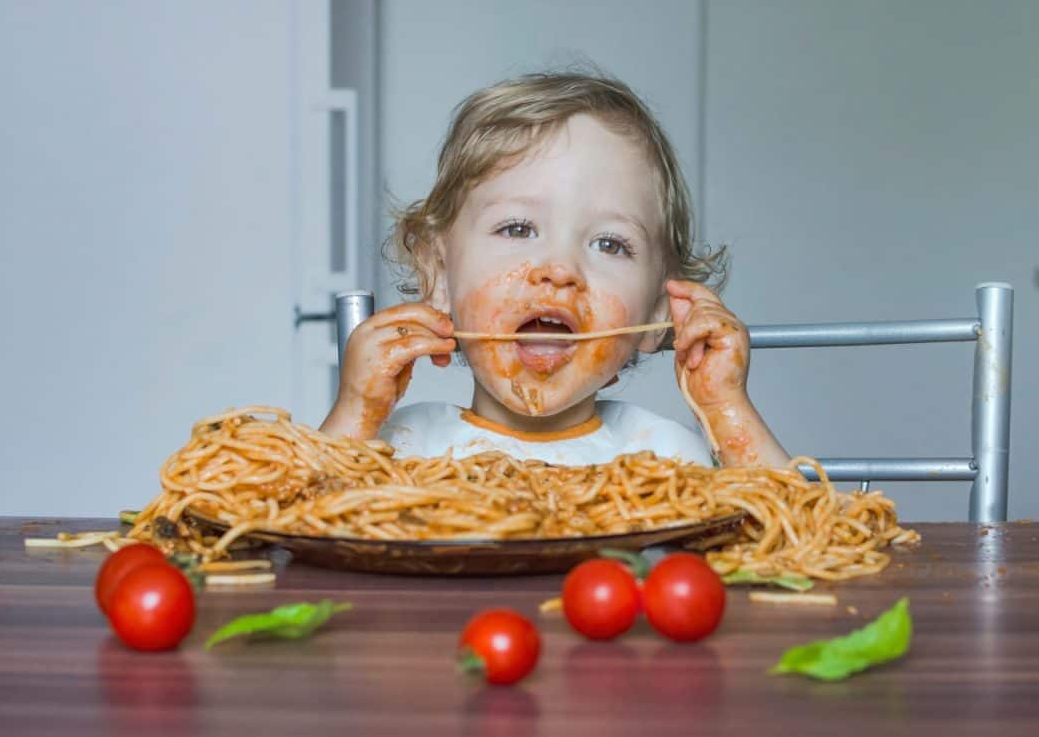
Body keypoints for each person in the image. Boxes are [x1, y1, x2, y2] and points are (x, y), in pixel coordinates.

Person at [320, 71, 789, 469]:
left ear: (660, 312)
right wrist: (355, 411)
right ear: (440, 274)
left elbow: (801, 542)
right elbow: (291, 539)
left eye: (610, 243)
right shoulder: (396, 447)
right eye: (518, 229)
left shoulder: (664, 456)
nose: (560, 270)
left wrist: (725, 409)